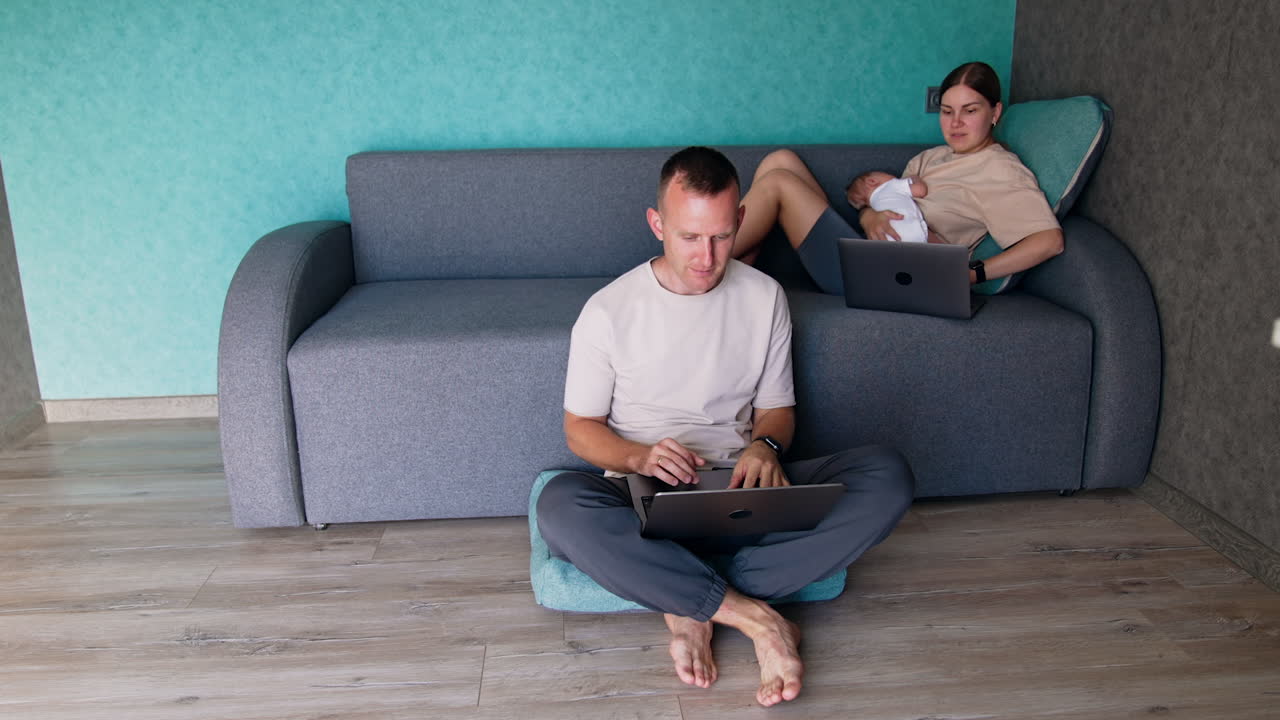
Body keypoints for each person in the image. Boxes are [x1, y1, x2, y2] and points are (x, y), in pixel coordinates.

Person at [536, 146, 914, 707]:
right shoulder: (608, 311)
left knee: (888, 474)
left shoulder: (764, 298)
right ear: (657, 224)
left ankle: (684, 598)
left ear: (740, 220)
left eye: (720, 236)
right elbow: (579, 430)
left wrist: (764, 446)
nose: (706, 257)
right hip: (643, 501)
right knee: (559, 506)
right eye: (689, 236)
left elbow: (778, 413)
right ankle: (756, 617)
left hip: (739, 493)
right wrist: (640, 457)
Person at [733, 61, 1064, 294]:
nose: (956, 123)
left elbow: (1050, 240)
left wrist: (975, 273)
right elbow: (885, 203)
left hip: (893, 278)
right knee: (781, 160)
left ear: (995, 113)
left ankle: (692, 263)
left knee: (779, 182)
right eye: (947, 112)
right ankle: (736, 282)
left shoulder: (1000, 169)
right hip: (872, 253)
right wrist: (868, 215)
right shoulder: (930, 158)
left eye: (970, 110)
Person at [846, 170, 930, 243]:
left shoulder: (874, 207)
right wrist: (915, 178)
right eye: (888, 175)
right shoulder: (890, 185)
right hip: (908, 228)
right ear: (872, 181)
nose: (895, 177)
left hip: (882, 236)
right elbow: (920, 190)